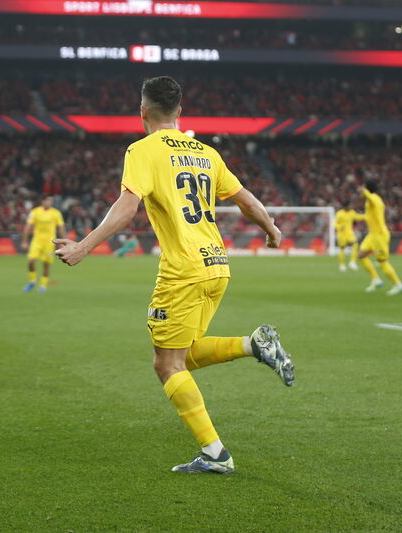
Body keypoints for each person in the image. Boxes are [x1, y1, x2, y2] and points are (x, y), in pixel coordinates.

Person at [54, 76, 294, 475]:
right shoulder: (206, 153)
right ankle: (255, 345)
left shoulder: (142, 150)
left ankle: (216, 454)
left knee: (166, 365)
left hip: (182, 269)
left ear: (142, 111)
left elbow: (127, 207)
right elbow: (245, 200)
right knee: (181, 355)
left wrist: (82, 246)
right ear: (180, 112)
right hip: (217, 265)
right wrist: (270, 229)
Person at [357, 180, 402, 295]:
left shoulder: (375, 199)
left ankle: (398, 284)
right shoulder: (370, 201)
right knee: (361, 255)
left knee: (382, 261)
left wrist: (365, 192)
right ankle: (376, 280)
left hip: (379, 236)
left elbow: (373, 200)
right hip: (372, 235)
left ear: (367, 189)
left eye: (364, 187)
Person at [20, 195, 66, 293]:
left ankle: (43, 286)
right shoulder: (35, 212)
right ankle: (32, 281)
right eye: (48, 201)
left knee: (46, 264)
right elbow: (28, 226)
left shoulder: (56, 213)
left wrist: (63, 242)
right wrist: (24, 241)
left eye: (51, 201)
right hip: (37, 241)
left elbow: (61, 227)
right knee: (30, 260)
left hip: (50, 242)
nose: (50, 203)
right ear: (43, 201)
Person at [334, 200, 365, 271]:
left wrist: (366, 215)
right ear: (346, 206)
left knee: (355, 245)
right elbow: (335, 223)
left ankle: (352, 262)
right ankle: (342, 265)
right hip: (341, 234)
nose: (351, 207)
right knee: (342, 248)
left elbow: (358, 217)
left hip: (349, 233)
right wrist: (340, 227)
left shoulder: (352, 212)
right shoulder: (339, 213)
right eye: (349, 205)